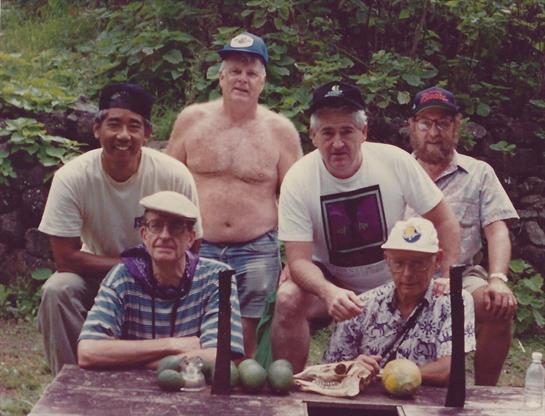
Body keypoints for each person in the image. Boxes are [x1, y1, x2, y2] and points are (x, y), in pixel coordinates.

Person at [271, 81, 461, 373]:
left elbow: (445, 219)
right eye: (327, 132)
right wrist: (327, 291)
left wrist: (448, 276)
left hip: (396, 281)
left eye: (346, 131)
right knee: (287, 298)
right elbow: (298, 261)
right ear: (312, 135)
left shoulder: (393, 161)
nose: (337, 143)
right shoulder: (298, 179)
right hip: (335, 281)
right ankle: (291, 387)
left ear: (364, 132)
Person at [38, 83, 202, 375]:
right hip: (98, 275)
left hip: (161, 278)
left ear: (147, 134)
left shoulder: (173, 174)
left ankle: (167, 373)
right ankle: (70, 384)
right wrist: (131, 267)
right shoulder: (71, 178)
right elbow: (65, 258)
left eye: (134, 126)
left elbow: (192, 245)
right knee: (58, 289)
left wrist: (155, 270)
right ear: (97, 128)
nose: (123, 135)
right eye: (113, 124)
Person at [166, 32, 302, 357]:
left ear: (263, 81)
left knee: (247, 340)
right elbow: (167, 182)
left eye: (251, 72)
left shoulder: (280, 131)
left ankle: (244, 396)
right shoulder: (192, 120)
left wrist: (295, 260)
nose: (243, 79)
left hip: (257, 248)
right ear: (221, 76)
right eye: (236, 71)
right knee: (192, 327)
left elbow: (297, 199)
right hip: (197, 244)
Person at [405, 86, 519, 385]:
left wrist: (497, 278)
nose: (434, 132)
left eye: (442, 123)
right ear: (412, 127)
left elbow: (497, 230)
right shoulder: (396, 170)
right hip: (400, 273)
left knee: (496, 304)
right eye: (425, 123)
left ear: (456, 126)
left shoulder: (480, 173)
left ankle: (486, 393)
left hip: (461, 274)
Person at [77, 191, 244, 368]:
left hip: (193, 387)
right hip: (127, 388)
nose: (164, 236)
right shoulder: (122, 277)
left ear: (190, 238)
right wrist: (172, 345)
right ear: (144, 235)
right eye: (156, 226)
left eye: (176, 227)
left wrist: (132, 359)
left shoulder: (217, 278)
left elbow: (221, 357)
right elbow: (88, 352)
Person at [323, 217, 476, 386]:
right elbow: (328, 370)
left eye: (418, 264)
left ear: (438, 260)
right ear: (387, 259)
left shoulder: (453, 303)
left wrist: (385, 374)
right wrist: (352, 367)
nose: (407, 274)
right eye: (398, 263)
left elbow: (449, 370)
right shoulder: (362, 305)